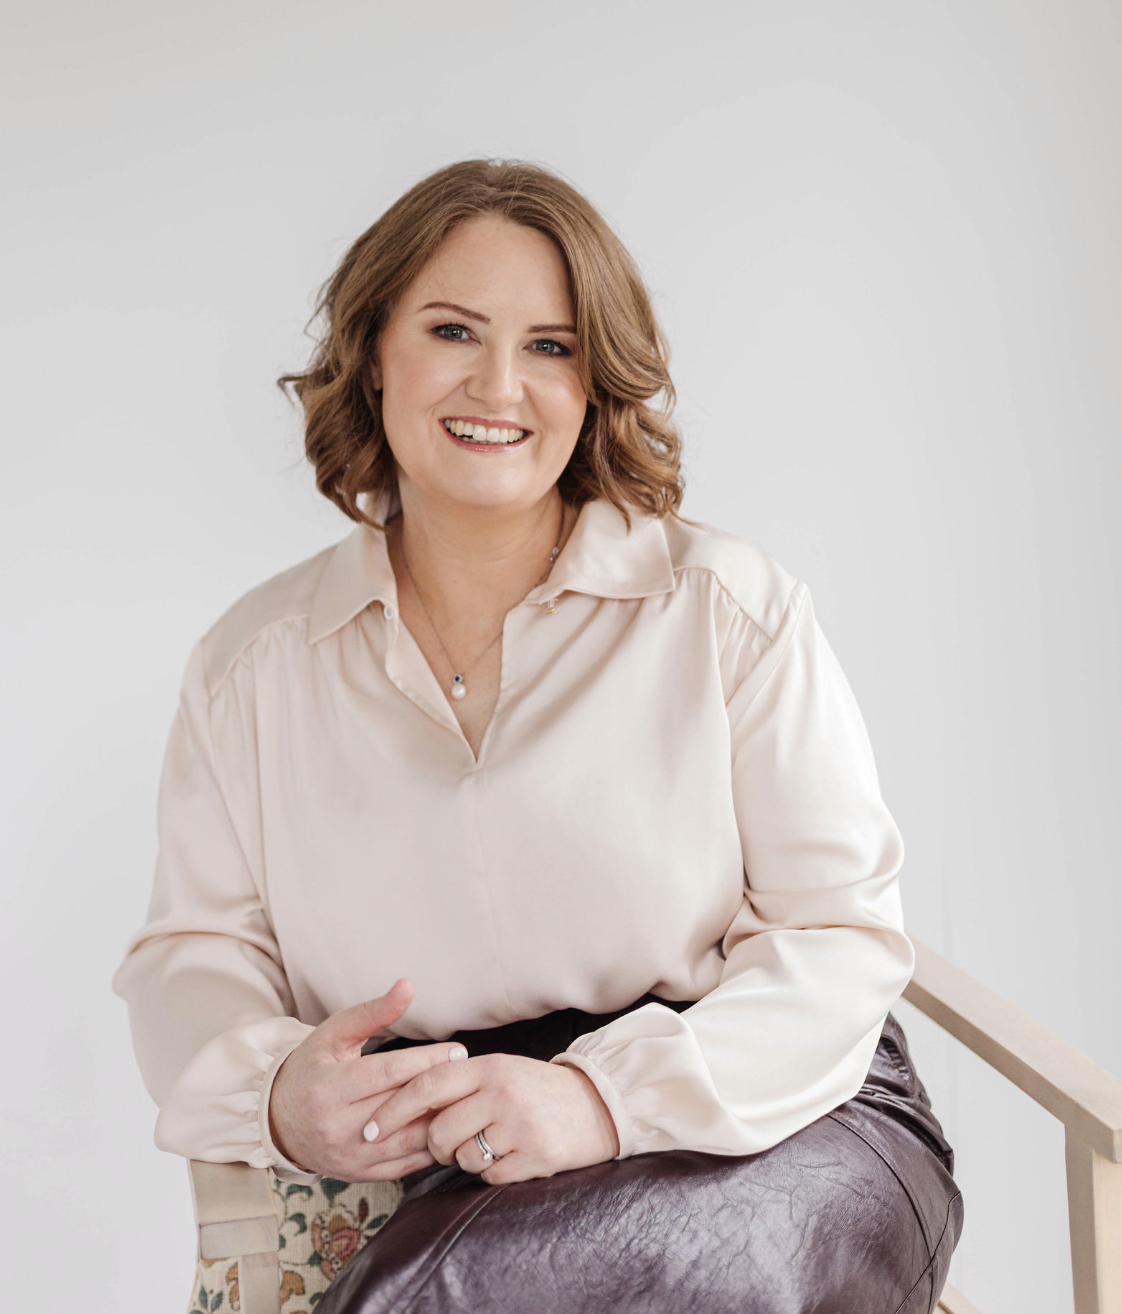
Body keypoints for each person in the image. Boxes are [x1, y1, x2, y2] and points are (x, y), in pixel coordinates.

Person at [112, 157, 962, 1312]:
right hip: (461, 1158)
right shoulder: (252, 665)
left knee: (444, 1295)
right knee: (436, 1279)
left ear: (596, 379)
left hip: (782, 1122)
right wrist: (272, 1092)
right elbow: (190, 959)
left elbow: (840, 938)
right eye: (454, 329)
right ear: (373, 353)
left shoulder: (727, 610)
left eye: (552, 346)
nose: (499, 383)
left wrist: (602, 1099)